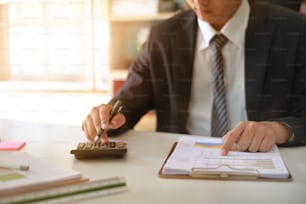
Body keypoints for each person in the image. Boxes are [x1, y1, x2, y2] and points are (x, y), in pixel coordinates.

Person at [82, 0, 306, 155]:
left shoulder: (295, 32)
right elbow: (130, 100)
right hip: (181, 166)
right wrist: (109, 116)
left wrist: (278, 130)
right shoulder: (163, 36)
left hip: (263, 163)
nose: (199, 1)